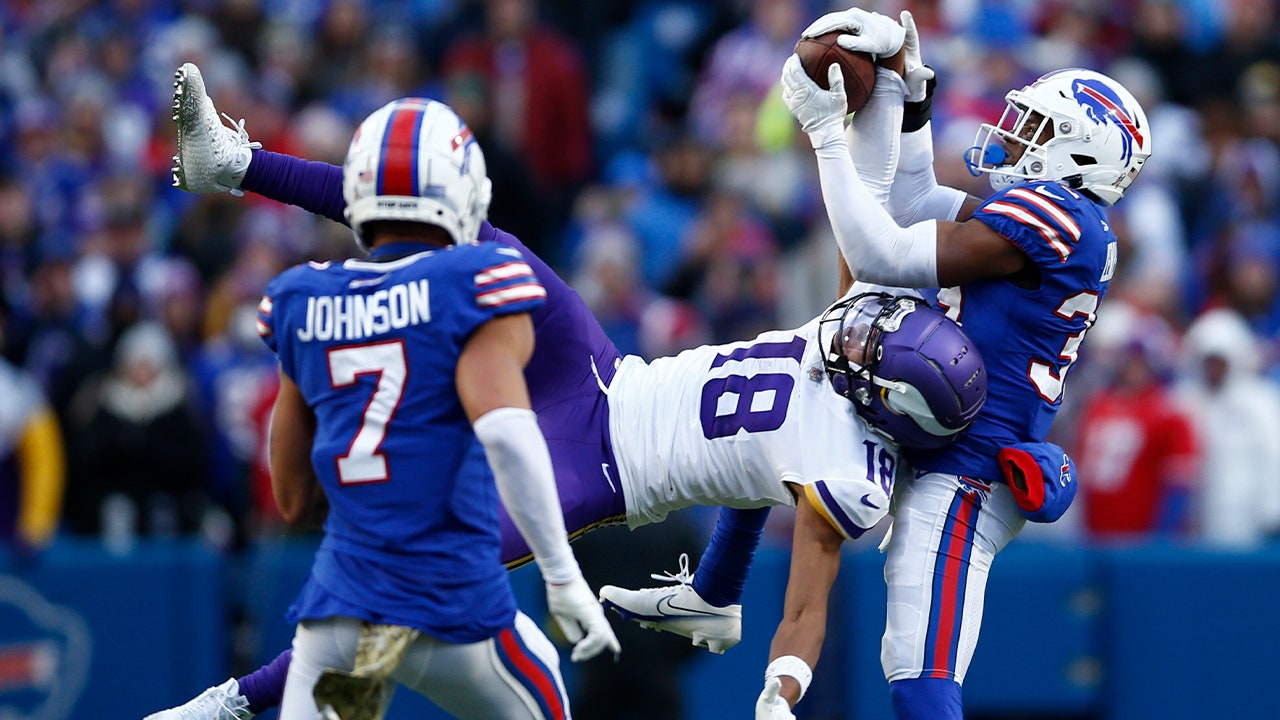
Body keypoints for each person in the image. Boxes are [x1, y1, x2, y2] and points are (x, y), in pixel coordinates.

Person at [146, 61, 996, 720]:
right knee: (474, 231)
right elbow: (872, 230)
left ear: (887, 403)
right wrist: (892, 99)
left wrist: (779, 690)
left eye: (874, 346)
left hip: (595, 467)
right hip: (599, 370)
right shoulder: (856, 361)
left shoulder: (851, 474)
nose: (857, 332)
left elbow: (804, 599)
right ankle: (237, 162)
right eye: (875, 326)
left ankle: (230, 702)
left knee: (412, 580)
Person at [604, 8, 1150, 720]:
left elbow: (881, 254)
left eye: (1038, 129)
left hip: (968, 467)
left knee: (918, 670)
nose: (1014, 134)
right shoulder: (1055, 216)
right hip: (933, 411)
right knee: (788, 396)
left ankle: (719, 600)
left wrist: (827, 137)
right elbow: (912, 200)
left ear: (1081, 155)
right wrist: (910, 98)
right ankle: (714, 592)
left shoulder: (1061, 217)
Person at [249, 97, 619, 720]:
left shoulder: (300, 297)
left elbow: (291, 499)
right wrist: (561, 577)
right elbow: (505, 432)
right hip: (455, 606)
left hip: (339, 610)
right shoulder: (478, 279)